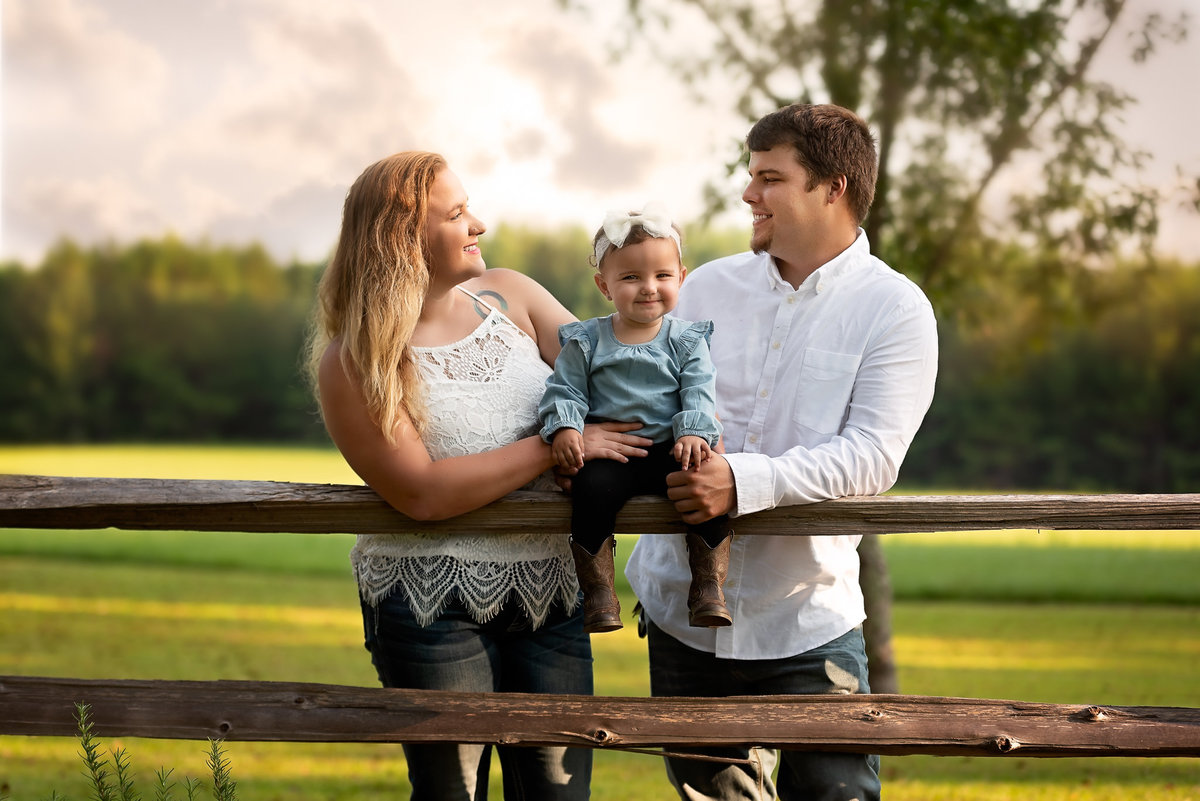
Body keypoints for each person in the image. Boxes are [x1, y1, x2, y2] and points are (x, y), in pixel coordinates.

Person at [308, 150, 651, 800]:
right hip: (429, 604)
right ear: (403, 239)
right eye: (457, 213)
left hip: (553, 592)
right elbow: (423, 493)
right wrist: (559, 445)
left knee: (559, 795)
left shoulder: (513, 295)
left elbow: (619, 388)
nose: (479, 224)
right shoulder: (357, 358)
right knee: (453, 795)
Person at [625, 104, 939, 800]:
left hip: (808, 617)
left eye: (770, 177)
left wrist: (740, 479)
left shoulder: (896, 309)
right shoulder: (705, 286)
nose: (748, 194)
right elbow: (650, 401)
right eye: (750, 176)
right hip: (681, 614)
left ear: (834, 188)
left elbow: (871, 457)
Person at [538, 202, 732, 634]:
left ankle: (707, 586)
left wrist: (695, 434)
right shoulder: (586, 341)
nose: (649, 287)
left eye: (662, 276)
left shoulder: (685, 339)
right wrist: (567, 426)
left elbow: (699, 390)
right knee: (590, 493)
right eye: (630, 277)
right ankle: (600, 593)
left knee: (707, 486)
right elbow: (565, 389)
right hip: (615, 454)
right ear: (604, 285)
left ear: (681, 278)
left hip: (673, 449)